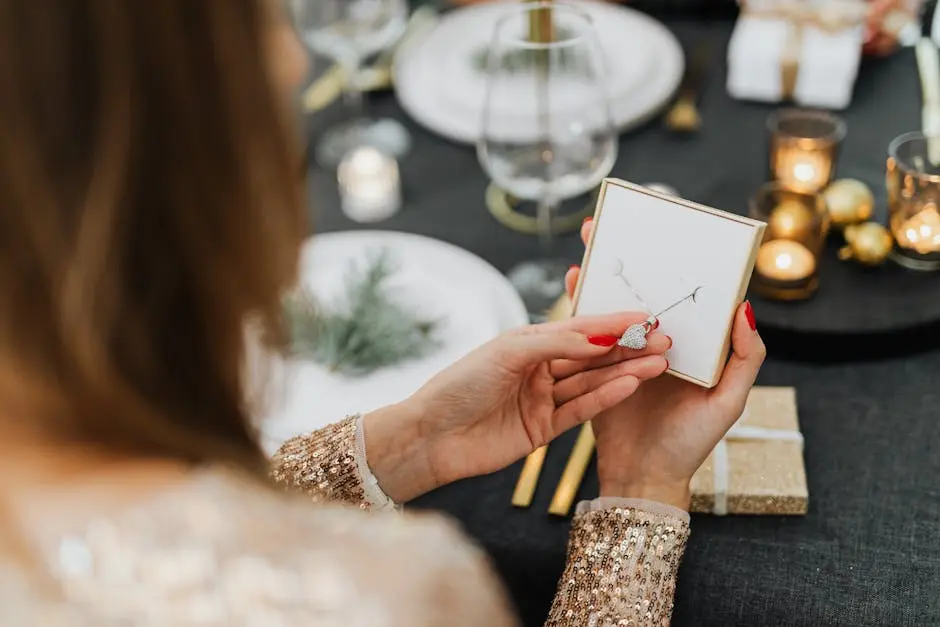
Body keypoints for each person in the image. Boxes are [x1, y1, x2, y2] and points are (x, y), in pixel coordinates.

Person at [0, 1, 764, 625]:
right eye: (265, 22)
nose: (297, 60)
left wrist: (415, 437)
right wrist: (641, 489)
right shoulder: (383, 593)